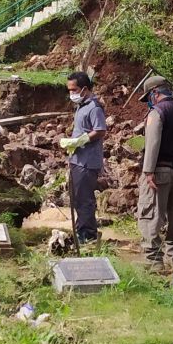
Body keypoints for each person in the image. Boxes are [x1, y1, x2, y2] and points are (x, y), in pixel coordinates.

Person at [137, 75, 173, 272]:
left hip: (159, 171)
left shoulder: (157, 112)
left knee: (151, 215)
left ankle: (154, 261)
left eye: (149, 97)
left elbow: (153, 143)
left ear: (155, 93)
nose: (148, 101)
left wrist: (148, 170)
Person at [63, 71, 107, 243]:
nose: (71, 94)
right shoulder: (82, 106)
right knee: (77, 198)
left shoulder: (94, 107)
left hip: (87, 162)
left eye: (74, 90)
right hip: (77, 159)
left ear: (84, 89)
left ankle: (88, 234)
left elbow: (101, 130)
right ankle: (82, 230)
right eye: (69, 90)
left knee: (84, 199)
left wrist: (82, 140)